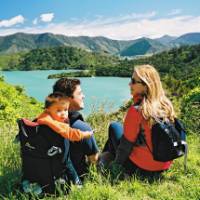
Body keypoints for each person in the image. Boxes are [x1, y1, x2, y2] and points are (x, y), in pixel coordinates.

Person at [101, 64, 175, 181]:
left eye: (133, 81)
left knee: (114, 127)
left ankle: (103, 160)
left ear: (146, 86)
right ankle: (106, 155)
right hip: (163, 165)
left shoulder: (137, 111)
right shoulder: (166, 105)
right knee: (119, 132)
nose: (129, 84)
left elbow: (125, 146)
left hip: (142, 168)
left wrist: (117, 164)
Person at [37, 92, 93, 186]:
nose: (63, 114)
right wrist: (85, 134)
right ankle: (77, 185)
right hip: (59, 157)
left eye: (66, 110)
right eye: (58, 110)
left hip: (43, 156)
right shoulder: (55, 124)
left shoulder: (42, 118)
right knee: (68, 162)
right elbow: (71, 133)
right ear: (48, 110)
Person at [52, 78, 99, 178]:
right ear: (69, 99)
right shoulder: (80, 128)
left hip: (46, 178)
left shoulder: (47, 121)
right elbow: (94, 161)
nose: (83, 96)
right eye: (80, 93)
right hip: (72, 181)